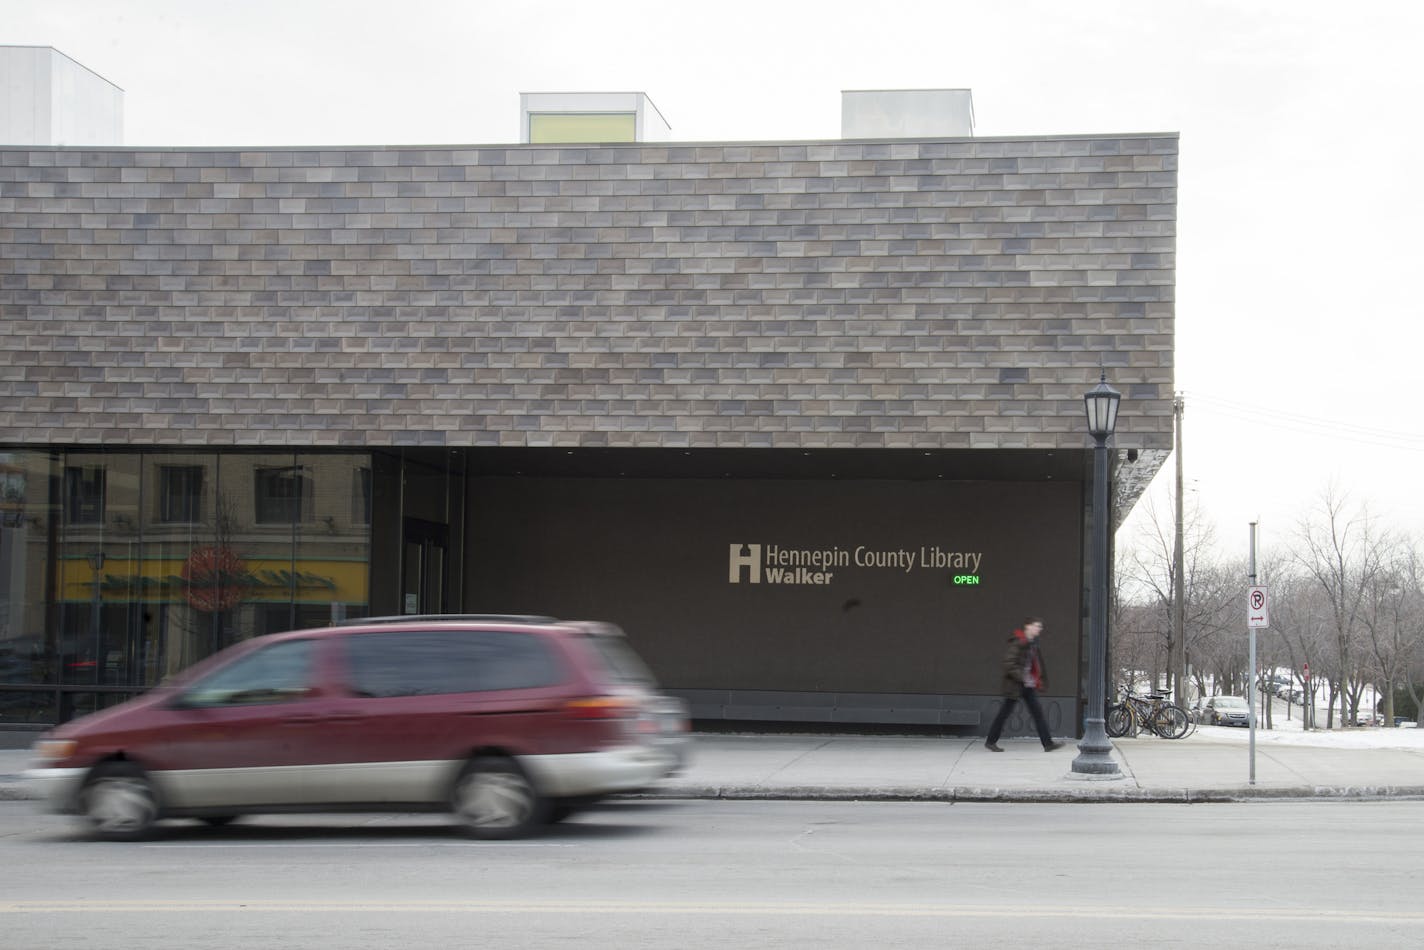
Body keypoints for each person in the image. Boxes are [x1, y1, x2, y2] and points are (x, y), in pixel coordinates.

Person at [984, 616, 1064, 752]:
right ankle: (990, 741)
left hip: (1027, 685)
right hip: (1015, 685)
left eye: (1040, 626)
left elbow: (1035, 664)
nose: (1039, 629)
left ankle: (1048, 744)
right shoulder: (1019, 642)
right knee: (1004, 714)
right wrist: (1022, 677)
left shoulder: (1032, 643)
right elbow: (1008, 663)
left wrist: (1038, 679)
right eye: (1036, 626)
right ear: (1028, 626)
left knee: (1037, 713)